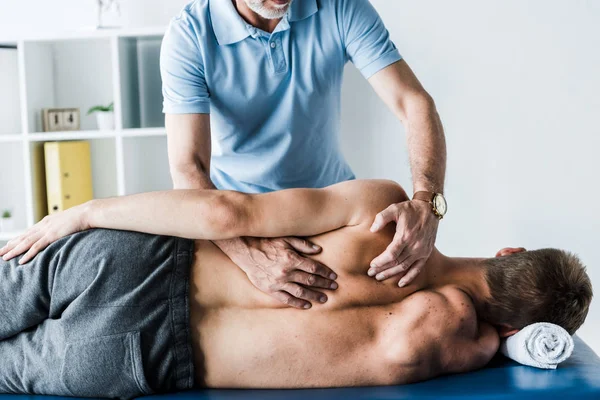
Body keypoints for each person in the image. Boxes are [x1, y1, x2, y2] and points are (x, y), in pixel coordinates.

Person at [0, 180, 592, 398]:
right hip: (140, 350)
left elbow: (229, 213)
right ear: (518, 331)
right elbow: (460, 341)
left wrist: (84, 214)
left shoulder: (378, 210)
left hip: (132, 256)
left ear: (510, 250)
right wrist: (501, 339)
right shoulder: (437, 336)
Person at [161, 0, 448, 308]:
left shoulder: (340, 7)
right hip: (241, 224)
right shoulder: (189, 33)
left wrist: (428, 203)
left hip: (333, 215)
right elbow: (189, 167)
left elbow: (413, 103)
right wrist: (247, 253)